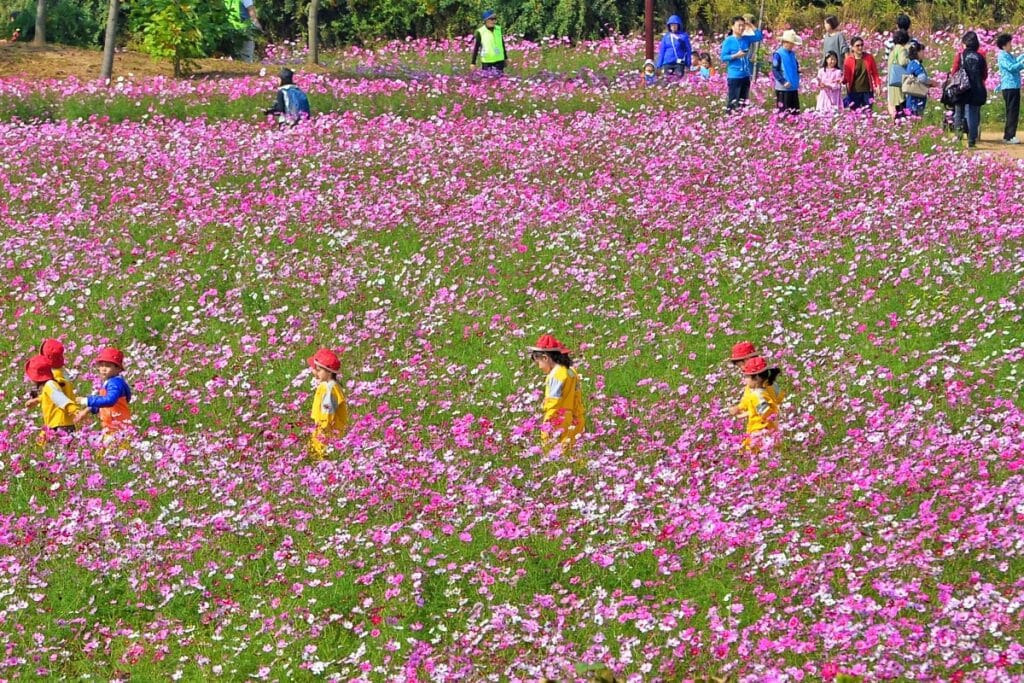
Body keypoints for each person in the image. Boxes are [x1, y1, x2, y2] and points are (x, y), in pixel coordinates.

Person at [527, 334, 585, 451]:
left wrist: (545, 410)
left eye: (538, 362)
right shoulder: (571, 371)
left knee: (553, 450)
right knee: (571, 449)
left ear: (545, 358)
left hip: (558, 417)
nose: (539, 367)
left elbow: (554, 400)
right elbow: (577, 394)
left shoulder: (556, 375)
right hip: (574, 415)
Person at [74, 347, 132, 435]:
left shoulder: (115, 383)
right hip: (111, 427)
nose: (103, 369)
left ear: (118, 369)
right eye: (101, 365)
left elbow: (109, 401)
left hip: (118, 429)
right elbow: (103, 402)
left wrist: (86, 400)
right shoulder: (109, 382)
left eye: (108, 366)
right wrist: (86, 410)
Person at [728, 356, 781, 450]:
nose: (745, 379)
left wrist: (748, 413)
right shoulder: (761, 391)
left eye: (747, 376)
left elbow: (766, 413)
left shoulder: (757, 396)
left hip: (760, 431)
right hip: (764, 430)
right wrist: (741, 409)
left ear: (757, 377)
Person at [25, 354, 80, 436]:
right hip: (63, 423)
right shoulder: (58, 379)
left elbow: (60, 399)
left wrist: (76, 411)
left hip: (58, 425)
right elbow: (54, 395)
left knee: (50, 445)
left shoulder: (50, 385)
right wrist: (37, 400)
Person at [308, 348, 348, 460]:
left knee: (326, 459)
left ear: (329, 372)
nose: (315, 372)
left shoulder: (330, 389)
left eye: (319, 369)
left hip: (328, 432)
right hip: (322, 430)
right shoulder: (325, 386)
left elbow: (327, 413)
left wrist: (323, 430)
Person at [720, 15, 763, 111]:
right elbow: (723, 57)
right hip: (735, 76)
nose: (741, 28)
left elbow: (759, 36)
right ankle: (730, 121)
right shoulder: (728, 40)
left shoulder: (746, 38)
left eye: (743, 25)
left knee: (744, 102)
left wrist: (750, 25)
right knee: (733, 103)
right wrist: (735, 56)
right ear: (732, 27)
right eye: (739, 25)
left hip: (745, 75)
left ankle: (742, 121)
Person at [956, 31, 988, 148]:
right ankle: (971, 141)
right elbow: (985, 74)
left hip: (962, 87)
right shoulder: (980, 57)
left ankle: (958, 138)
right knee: (973, 113)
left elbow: (955, 70)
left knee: (959, 111)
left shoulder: (960, 55)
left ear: (965, 43)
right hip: (976, 88)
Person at [996, 33, 1024, 144]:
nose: (1011, 45)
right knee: (1012, 111)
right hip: (1009, 87)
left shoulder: (1008, 55)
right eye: (1009, 43)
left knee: (1013, 111)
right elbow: (1011, 68)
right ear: (1004, 45)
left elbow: (1016, 61)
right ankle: (1010, 136)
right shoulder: (1002, 56)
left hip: (1014, 86)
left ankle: (1008, 135)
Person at [843, 37, 880, 111]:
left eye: (862, 45)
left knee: (868, 114)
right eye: (857, 45)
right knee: (855, 115)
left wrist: (877, 85)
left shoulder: (869, 57)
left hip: (867, 92)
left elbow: (875, 73)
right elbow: (846, 77)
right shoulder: (848, 60)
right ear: (852, 47)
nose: (860, 47)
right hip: (854, 92)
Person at [772, 30, 803, 115]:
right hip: (784, 88)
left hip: (793, 86)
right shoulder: (778, 54)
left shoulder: (792, 54)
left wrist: (799, 70)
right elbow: (775, 70)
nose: (792, 45)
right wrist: (783, 81)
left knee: (794, 111)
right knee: (784, 112)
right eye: (791, 43)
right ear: (785, 42)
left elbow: (795, 65)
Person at [39, 338, 77, 403]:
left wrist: (39, 399)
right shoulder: (63, 371)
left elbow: (54, 394)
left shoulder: (54, 376)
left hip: (62, 410)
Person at [886, 30, 911, 120]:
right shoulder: (901, 49)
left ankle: (897, 121)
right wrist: (910, 60)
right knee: (902, 103)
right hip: (899, 80)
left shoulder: (893, 49)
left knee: (896, 105)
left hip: (893, 80)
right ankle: (901, 121)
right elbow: (902, 61)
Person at [903, 44, 932, 117]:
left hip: (913, 98)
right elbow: (922, 78)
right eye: (922, 51)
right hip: (916, 99)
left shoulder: (911, 63)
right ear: (917, 52)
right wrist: (932, 82)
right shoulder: (916, 64)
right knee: (916, 117)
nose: (924, 54)